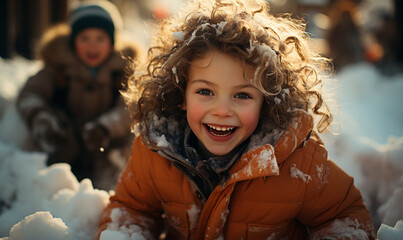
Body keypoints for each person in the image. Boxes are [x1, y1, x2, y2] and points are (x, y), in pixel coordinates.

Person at [97, 0, 376, 239]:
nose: (222, 110)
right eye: (205, 91)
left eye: (241, 96)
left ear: (265, 102)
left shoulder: (296, 162)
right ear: (180, 94)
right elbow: (132, 209)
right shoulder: (156, 151)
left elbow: (342, 216)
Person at [17, 0, 140, 188]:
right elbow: (30, 93)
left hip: (105, 148)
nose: (93, 46)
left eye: (100, 38)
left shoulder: (123, 71)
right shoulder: (58, 68)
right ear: (73, 42)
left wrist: (106, 127)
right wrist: (39, 116)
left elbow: (130, 106)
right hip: (65, 143)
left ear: (113, 42)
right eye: (85, 38)